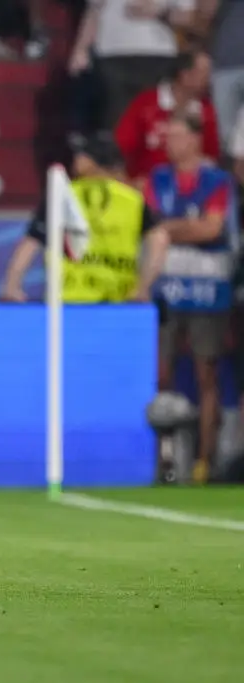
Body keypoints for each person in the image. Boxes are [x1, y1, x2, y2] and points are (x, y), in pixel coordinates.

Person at [148, 112, 238, 485]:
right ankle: (164, 460)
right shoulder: (158, 178)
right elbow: (153, 226)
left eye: (177, 136)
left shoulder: (218, 181)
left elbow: (212, 229)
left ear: (195, 140)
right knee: (160, 373)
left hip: (208, 287)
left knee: (206, 374)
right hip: (166, 286)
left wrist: (171, 230)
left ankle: (205, 461)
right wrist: (188, 227)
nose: (169, 143)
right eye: (167, 136)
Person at [1, 134, 169, 304]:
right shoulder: (132, 199)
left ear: (90, 162)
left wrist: (12, 285)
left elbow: (32, 241)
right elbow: (160, 240)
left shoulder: (63, 195)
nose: (76, 159)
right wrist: (142, 288)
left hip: (67, 300)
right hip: (117, 301)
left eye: (81, 154)